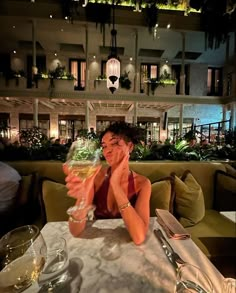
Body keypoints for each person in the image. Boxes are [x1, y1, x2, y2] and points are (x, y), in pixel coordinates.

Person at [63, 122, 151, 245]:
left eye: (114, 144)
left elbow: (139, 237)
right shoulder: (95, 177)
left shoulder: (142, 184)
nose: (107, 151)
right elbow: (75, 232)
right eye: (104, 146)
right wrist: (82, 198)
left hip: (130, 250)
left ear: (130, 147)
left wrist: (115, 184)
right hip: (98, 245)